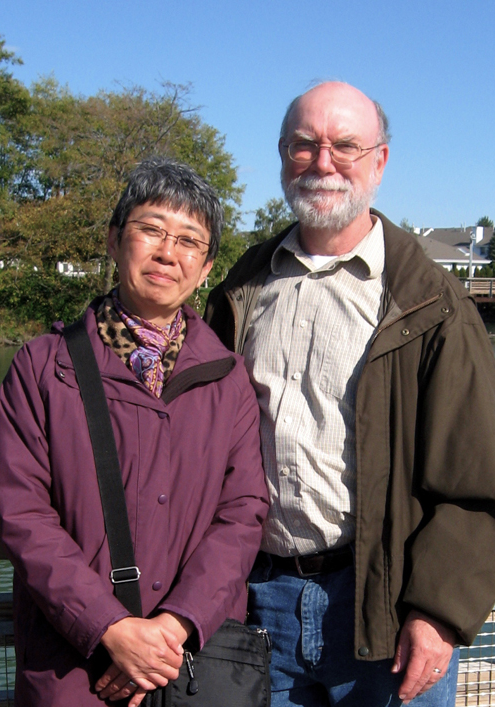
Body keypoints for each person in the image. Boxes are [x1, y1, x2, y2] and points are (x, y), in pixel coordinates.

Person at [205, 81, 495, 706]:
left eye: (345, 145)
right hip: (255, 607)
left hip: (384, 616)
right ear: (283, 156)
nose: (323, 161)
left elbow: (476, 486)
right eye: (304, 145)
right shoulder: (239, 289)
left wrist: (439, 612)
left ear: (380, 161)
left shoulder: (432, 302)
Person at [0, 157, 269, 707]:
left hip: (189, 663)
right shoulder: (43, 366)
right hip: (74, 666)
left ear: (207, 264)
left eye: (190, 240)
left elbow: (242, 514)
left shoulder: (228, 377)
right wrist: (111, 629)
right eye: (151, 230)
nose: (169, 252)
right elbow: (23, 514)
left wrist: (172, 628)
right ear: (116, 240)